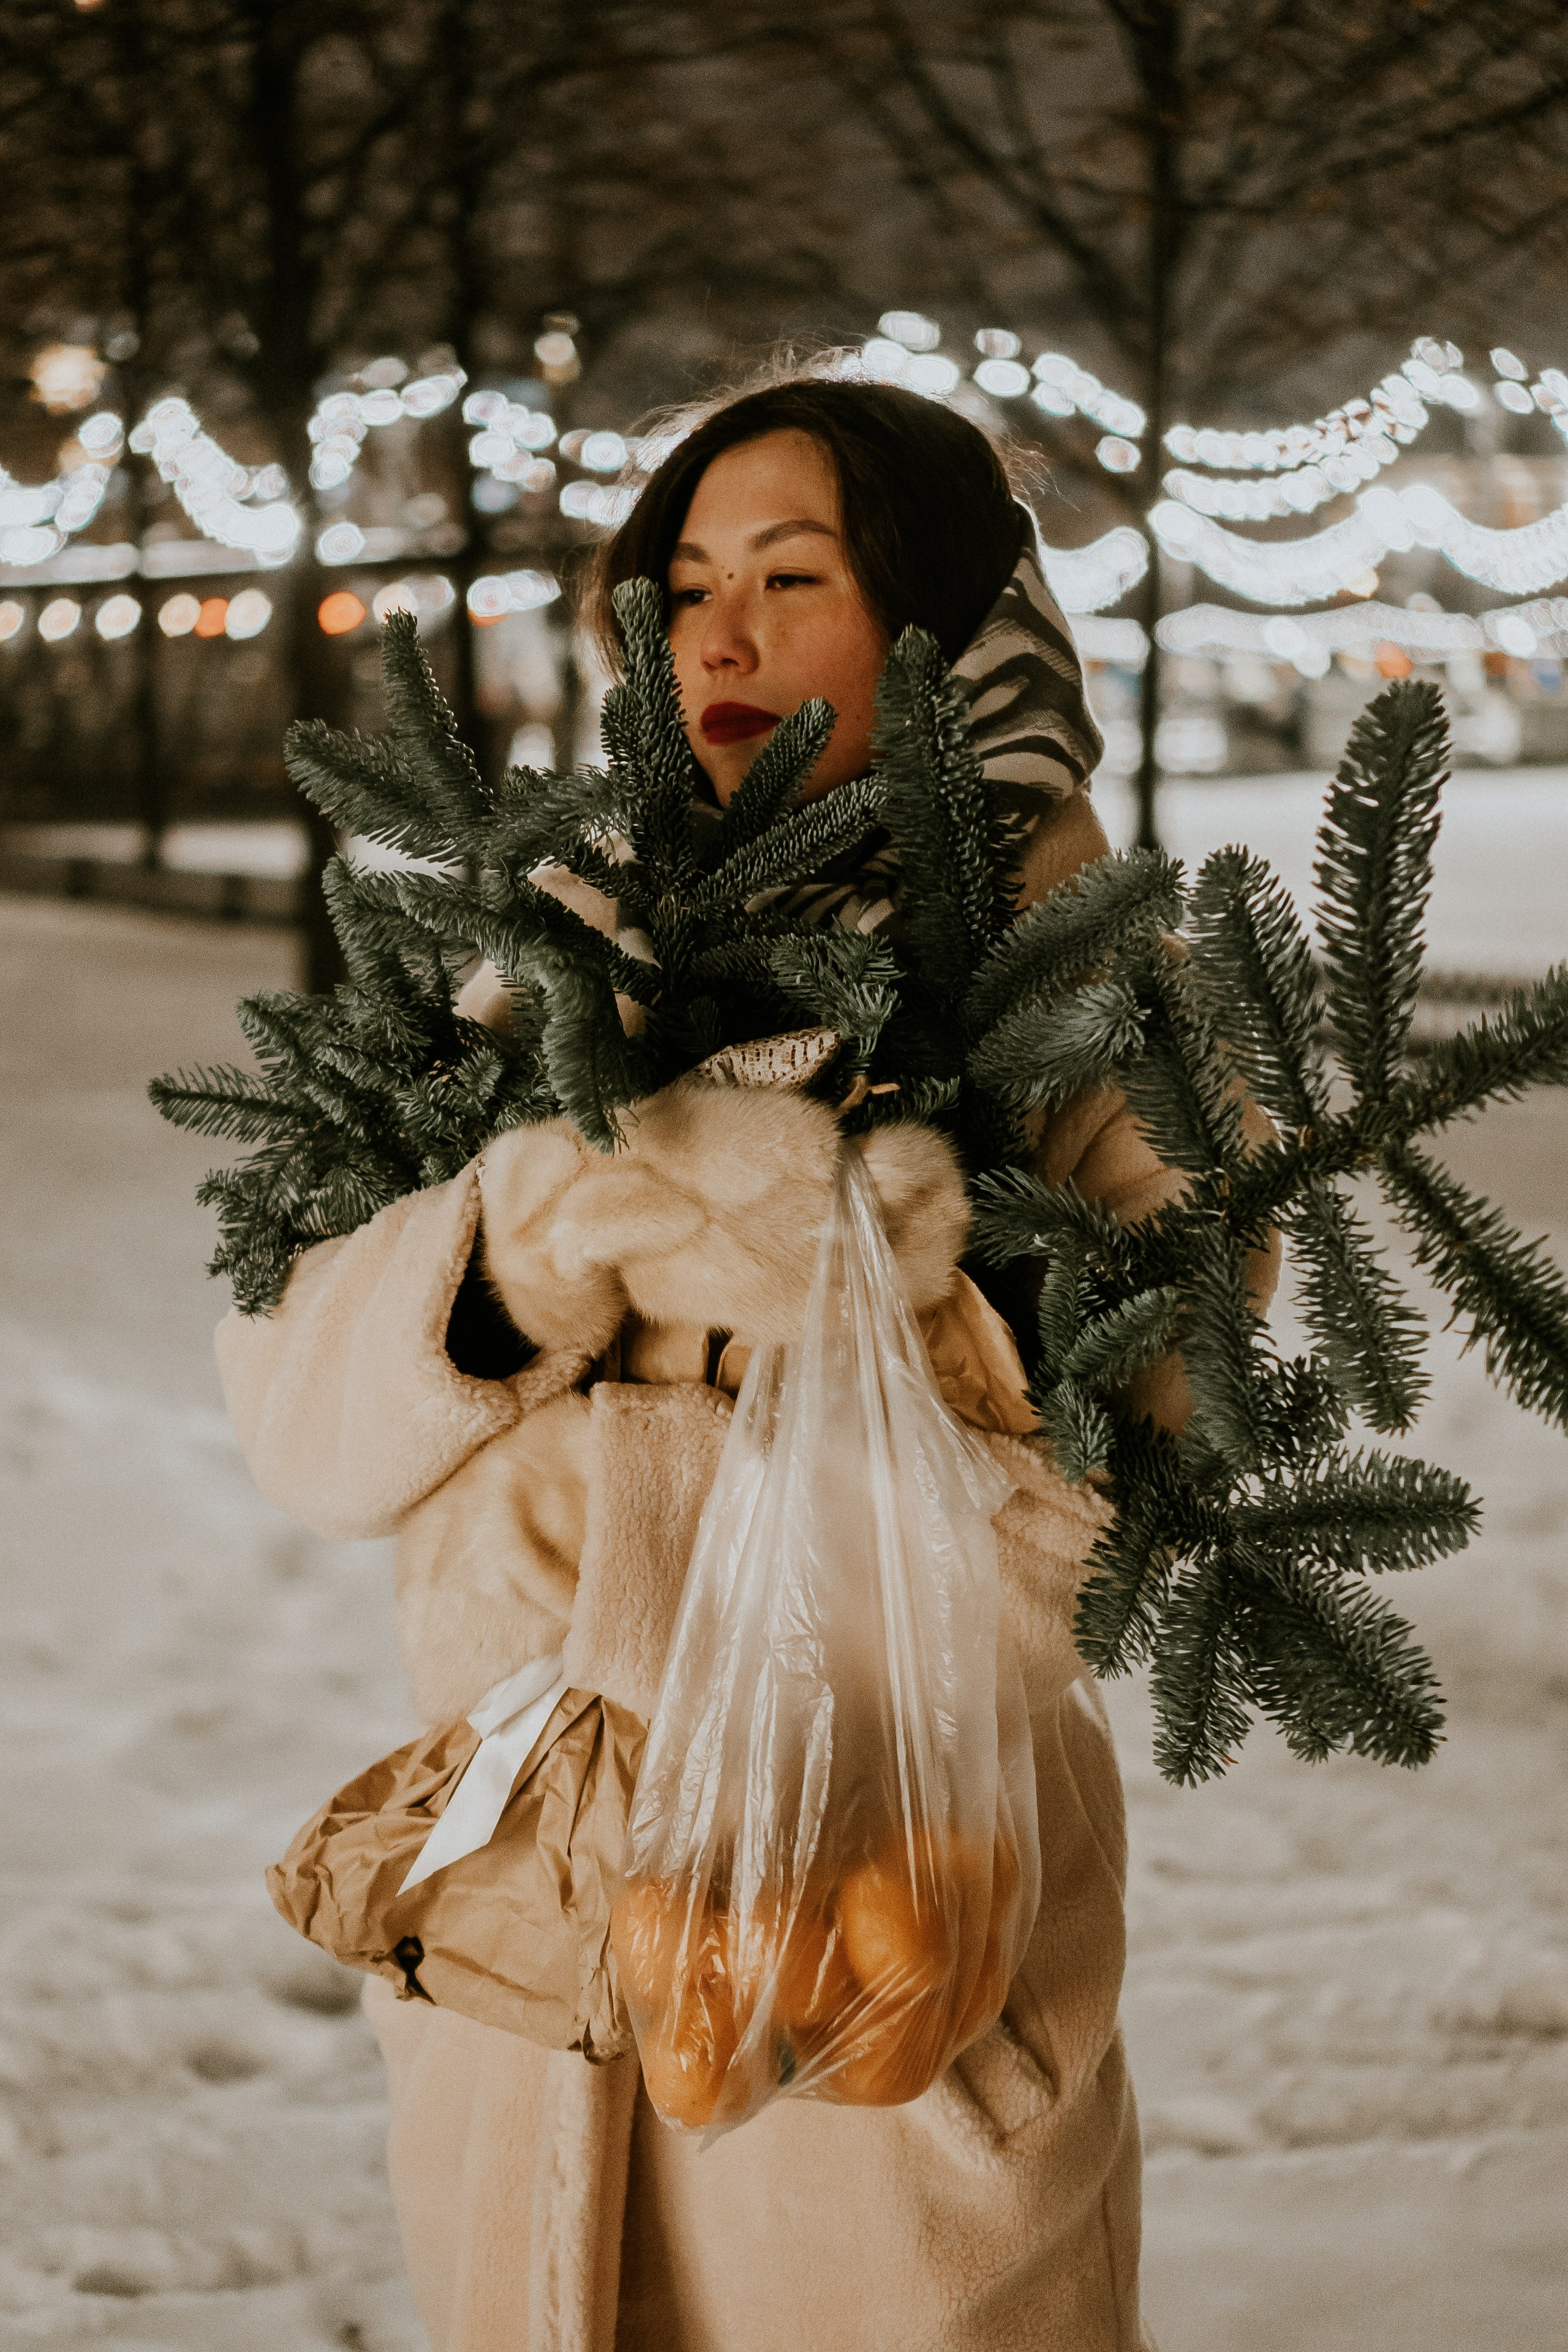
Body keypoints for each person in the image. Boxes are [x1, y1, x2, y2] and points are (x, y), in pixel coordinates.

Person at [219, 369, 1273, 2351]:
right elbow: (295, 1414)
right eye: (684, 576)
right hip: (541, 1887)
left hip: (891, 1883)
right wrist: (522, 1248)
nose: (715, 631)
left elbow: (1161, 1439)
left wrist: (892, 1271)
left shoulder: (1093, 978)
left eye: (794, 575)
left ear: (943, 628)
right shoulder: (539, 951)